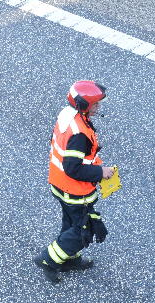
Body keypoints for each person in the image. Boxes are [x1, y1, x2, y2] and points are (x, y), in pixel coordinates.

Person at [33, 81, 116, 284]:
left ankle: (70, 259)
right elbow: (74, 168)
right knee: (83, 230)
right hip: (75, 191)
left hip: (60, 184)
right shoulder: (79, 134)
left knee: (71, 223)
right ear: (83, 105)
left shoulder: (68, 116)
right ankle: (48, 260)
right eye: (95, 104)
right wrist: (100, 172)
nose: (98, 107)